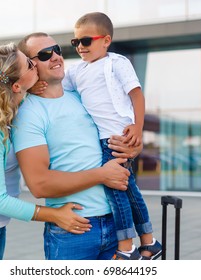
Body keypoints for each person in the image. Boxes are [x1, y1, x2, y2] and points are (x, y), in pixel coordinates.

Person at [0, 42, 93, 260]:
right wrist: (55, 215)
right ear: (15, 85)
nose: (36, 66)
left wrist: (28, 87)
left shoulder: (14, 109)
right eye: (31, 65)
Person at [13, 32, 141, 260]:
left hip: (117, 225)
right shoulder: (29, 113)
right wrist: (102, 175)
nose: (55, 57)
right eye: (44, 54)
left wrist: (131, 147)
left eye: (57, 50)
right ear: (30, 66)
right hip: (73, 230)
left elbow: (117, 132)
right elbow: (39, 185)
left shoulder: (82, 96)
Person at [63, 12, 162, 260]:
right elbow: (57, 86)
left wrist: (137, 128)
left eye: (86, 41)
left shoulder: (116, 63)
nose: (80, 47)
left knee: (116, 192)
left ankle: (127, 247)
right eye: (76, 42)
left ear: (106, 40)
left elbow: (136, 95)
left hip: (117, 137)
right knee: (128, 190)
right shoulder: (76, 71)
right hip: (102, 139)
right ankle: (150, 241)